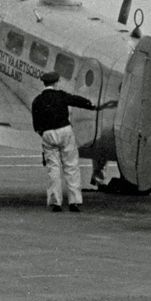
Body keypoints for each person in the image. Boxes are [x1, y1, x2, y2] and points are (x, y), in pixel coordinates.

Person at [31, 72, 98, 212]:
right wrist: (90, 105)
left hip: (48, 133)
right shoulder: (60, 95)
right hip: (65, 131)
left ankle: (56, 203)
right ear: (55, 83)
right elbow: (75, 100)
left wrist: (44, 133)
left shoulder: (37, 100)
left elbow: (36, 125)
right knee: (71, 166)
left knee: (53, 169)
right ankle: (74, 202)